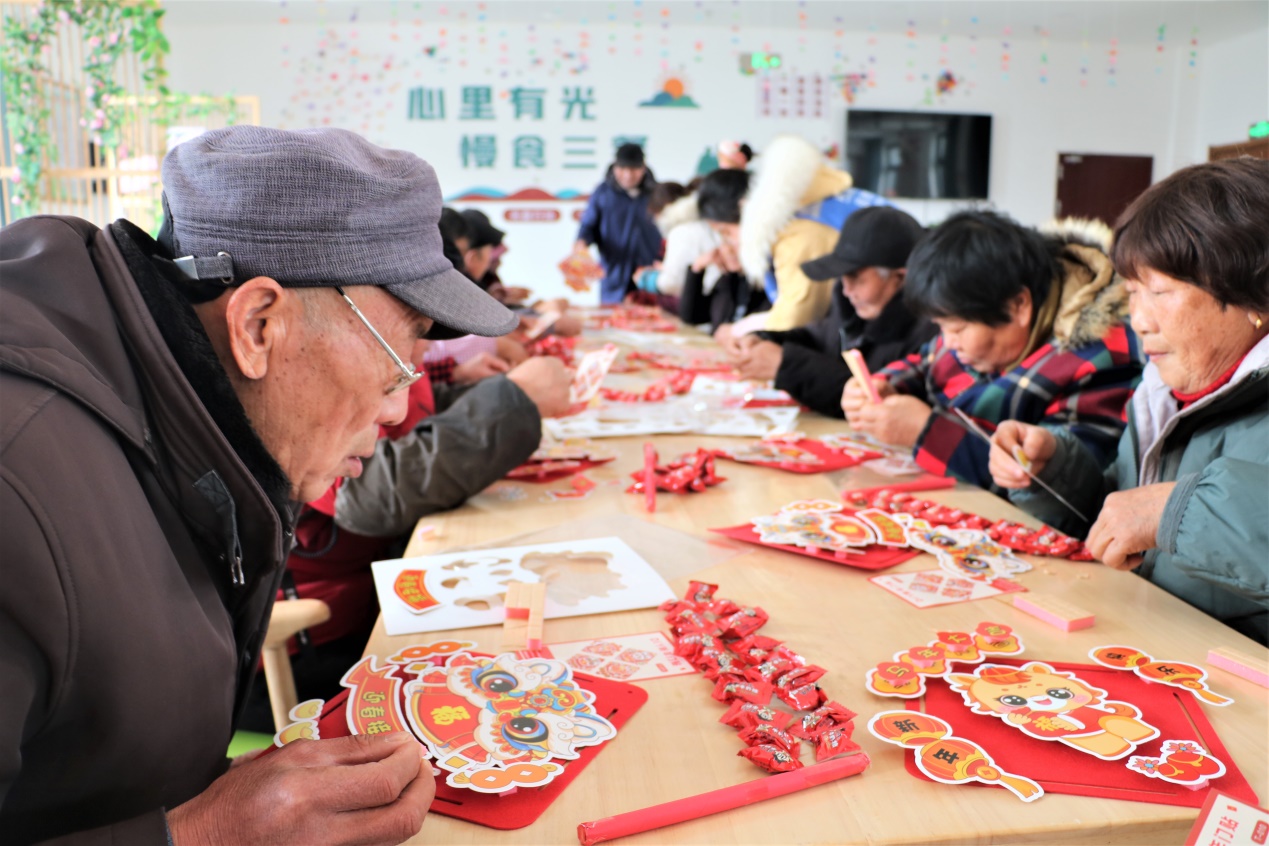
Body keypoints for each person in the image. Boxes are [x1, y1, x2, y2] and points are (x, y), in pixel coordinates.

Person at [0, 126, 519, 844]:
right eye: (397, 359)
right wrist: (207, 833)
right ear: (258, 324)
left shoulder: (185, 413)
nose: (400, 404)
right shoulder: (17, 481)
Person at [988, 159, 1269, 645]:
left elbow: (1170, 519)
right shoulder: (1164, 392)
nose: (1138, 320)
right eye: (1132, 291)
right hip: (1145, 650)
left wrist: (1174, 512)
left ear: (1255, 300)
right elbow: (1127, 536)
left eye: (1159, 291)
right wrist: (1051, 469)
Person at [843, 209, 1145, 493]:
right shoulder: (977, 315)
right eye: (941, 326)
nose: (948, 341)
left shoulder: (1103, 357)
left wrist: (926, 432)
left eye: (958, 328)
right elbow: (926, 362)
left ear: (1018, 306)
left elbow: (1064, 490)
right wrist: (882, 386)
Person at [731, 206, 936, 417]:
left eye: (856, 278)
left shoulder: (933, 333)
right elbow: (817, 337)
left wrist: (786, 365)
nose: (847, 290)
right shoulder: (851, 309)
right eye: (843, 277)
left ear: (900, 278)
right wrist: (765, 340)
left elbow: (875, 398)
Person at [709, 134, 894, 347]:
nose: (728, 244)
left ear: (745, 210)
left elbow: (799, 316)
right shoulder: (819, 203)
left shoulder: (800, 232)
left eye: (727, 232)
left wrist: (743, 330)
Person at [679, 168, 767, 331]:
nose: (726, 244)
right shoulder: (729, 280)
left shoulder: (768, 280)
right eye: (720, 235)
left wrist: (735, 332)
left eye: (726, 232)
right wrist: (697, 269)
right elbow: (691, 316)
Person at [575, 142, 663, 304]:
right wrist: (581, 243)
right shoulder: (602, 193)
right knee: (612, 322)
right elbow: (588, 226)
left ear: (643, 168)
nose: (628, 175)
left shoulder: (656, 193)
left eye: (634, 169)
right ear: (614, 167)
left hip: (650, 274)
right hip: (614, 274)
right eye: (622, 169)